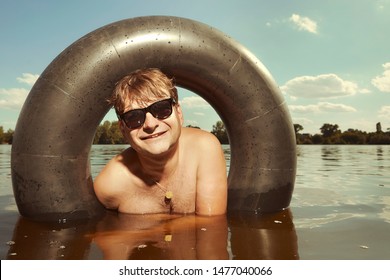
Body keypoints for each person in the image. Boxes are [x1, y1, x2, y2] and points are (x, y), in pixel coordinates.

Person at [94, 68, 227, 216]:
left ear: (179, 113)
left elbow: (210, 225)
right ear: (123, 129)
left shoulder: (205, 149)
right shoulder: (109, 184)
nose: (150, 124)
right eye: (134, 117)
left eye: (161, 109)